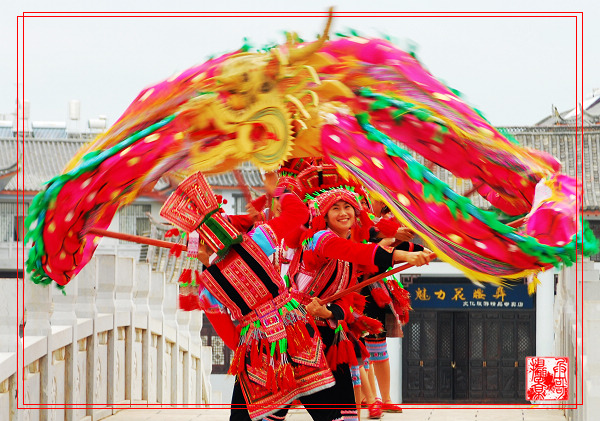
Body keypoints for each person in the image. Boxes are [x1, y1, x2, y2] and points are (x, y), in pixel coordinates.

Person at [159, 171, 342, 421]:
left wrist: (249, 339)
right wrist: (278, 192)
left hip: (257, 344)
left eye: (194, 243)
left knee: (243, 414)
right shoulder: (257, 240)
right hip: (295, 329)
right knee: (323, 406)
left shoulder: (206, 287)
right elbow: (299, 213)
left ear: (201, 246)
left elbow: (231, 338)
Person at [284, 164, 434, 421]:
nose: (343, 213)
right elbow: (362, 253)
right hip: (298, 334)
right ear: (324, 214)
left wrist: (328, 310)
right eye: (335, 208)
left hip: (327, 331)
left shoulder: (350, 245)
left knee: (345, 412)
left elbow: (347, 292)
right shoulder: (319, 240)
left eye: (348, 207)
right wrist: (407, 254)